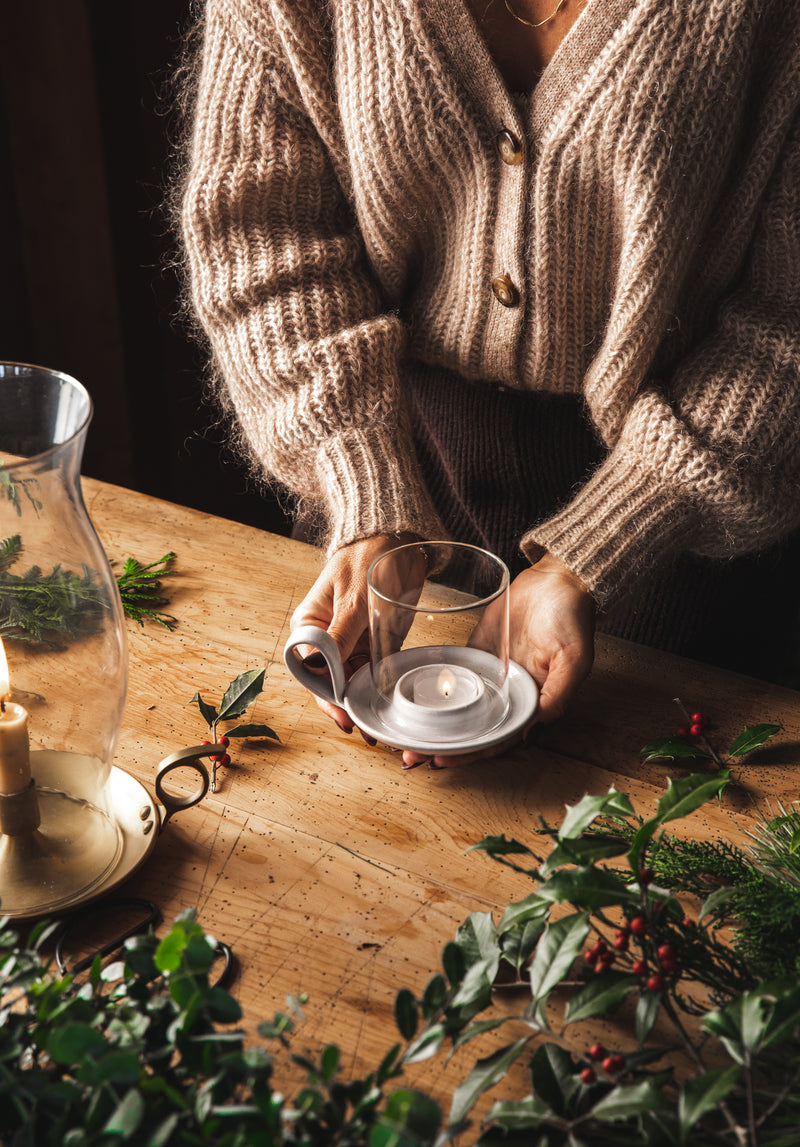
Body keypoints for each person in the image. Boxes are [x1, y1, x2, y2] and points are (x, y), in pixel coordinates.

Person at [181, 0, 800, 765]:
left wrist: (608, 541)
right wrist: (367, 494)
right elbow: (261, 242)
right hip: (392, 482)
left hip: (694, 534)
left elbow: (787, 321)